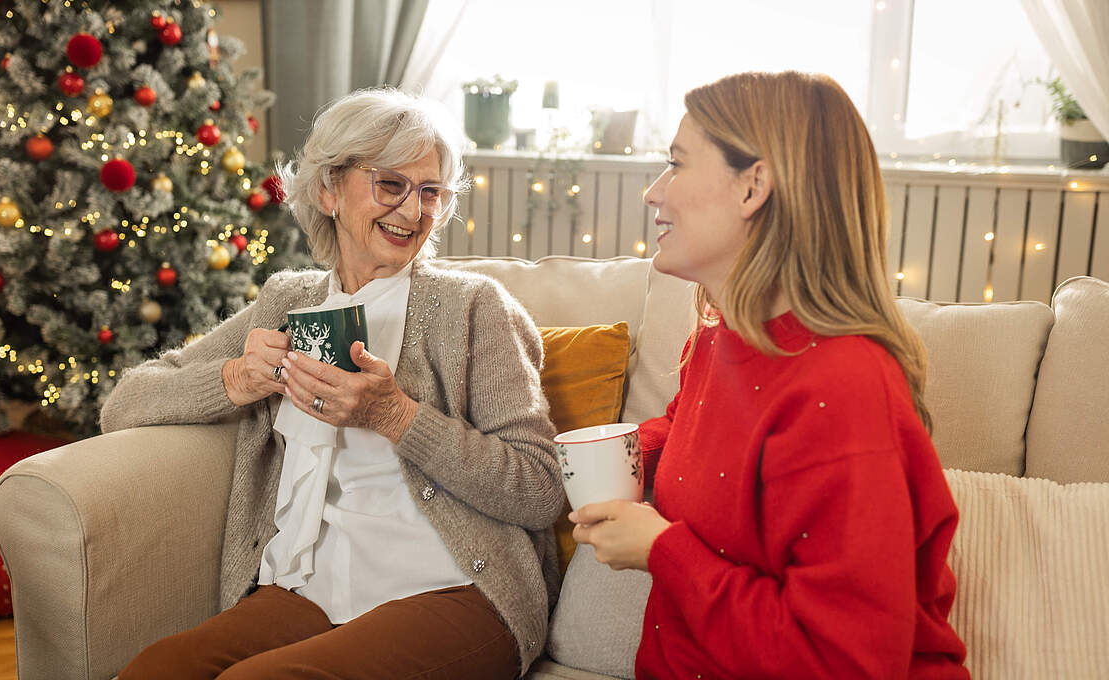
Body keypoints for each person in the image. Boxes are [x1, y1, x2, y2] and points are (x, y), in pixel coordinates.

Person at [103, 88, 563, 680]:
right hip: (310, 586)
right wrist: (237, 378)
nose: (413, 211)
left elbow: (539, 488)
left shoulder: (473, 308)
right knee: (155, 670)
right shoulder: (289, 301)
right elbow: (125, 404)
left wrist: (396, 416)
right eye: (391, 184)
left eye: (431, 192)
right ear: (328, 189)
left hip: (457, 588)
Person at [570, 71, 970, 679]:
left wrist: (661, 550)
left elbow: (844, 663)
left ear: (754, 185)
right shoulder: (718, 336)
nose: (654, 193)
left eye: (676, 164)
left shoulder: (843, 388)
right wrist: (598, 456)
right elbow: (686, 433)